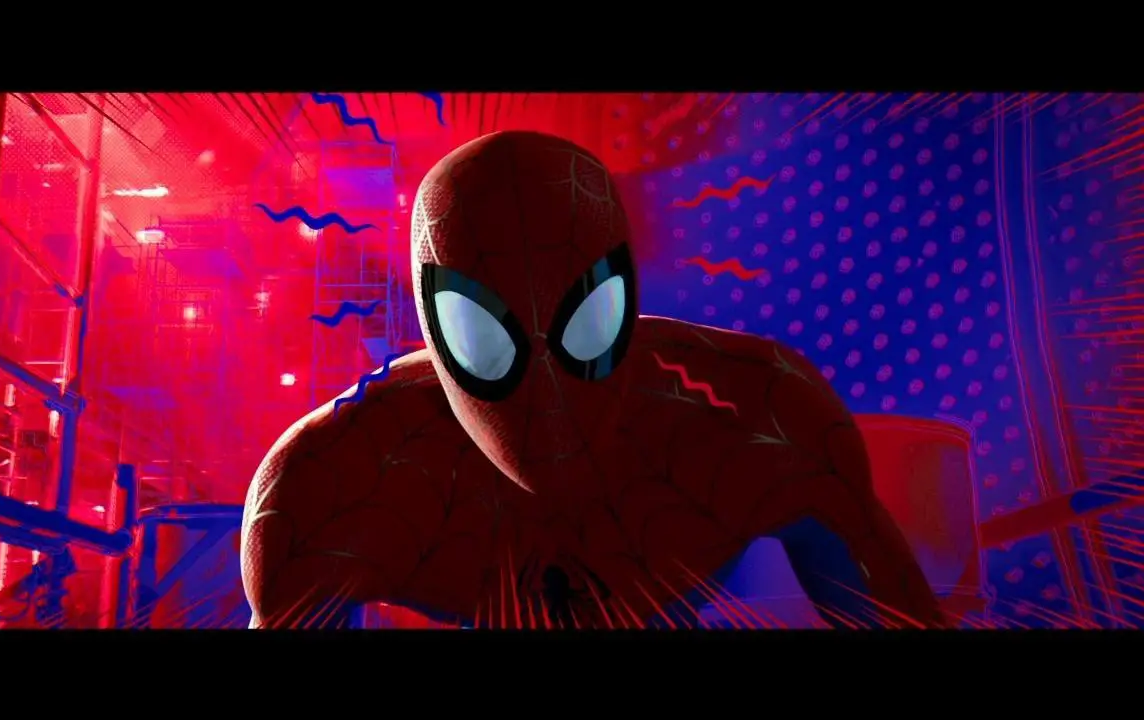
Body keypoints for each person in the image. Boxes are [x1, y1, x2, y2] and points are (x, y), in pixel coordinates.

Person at [240, 130, 942, 629]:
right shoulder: (332, 481)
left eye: (584, 323)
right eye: (486, 337)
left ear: (627, 295)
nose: (547, 397)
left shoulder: (755, 410)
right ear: (433, 327)